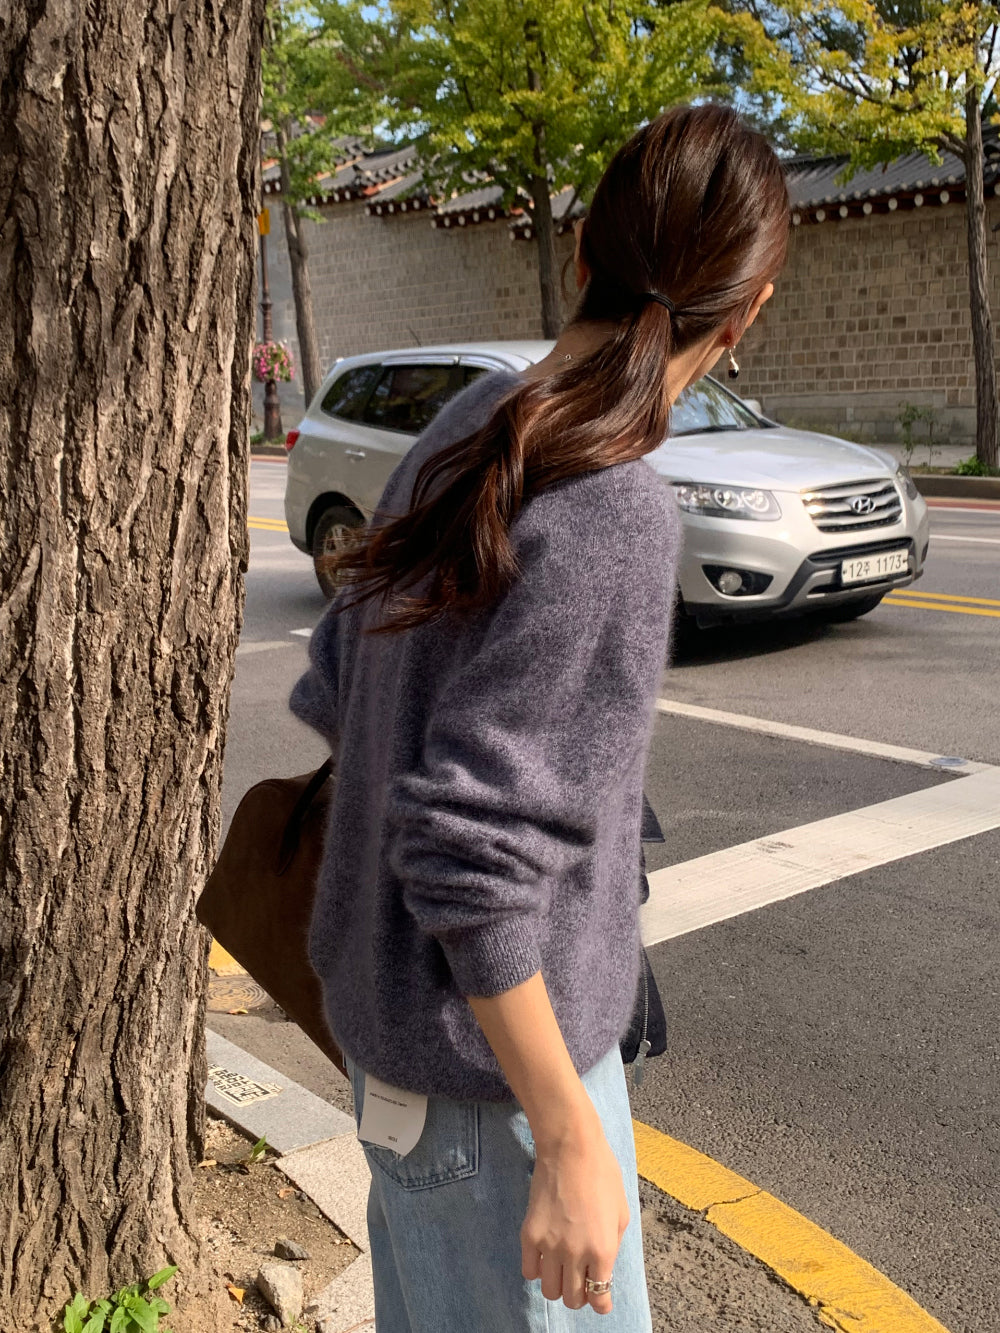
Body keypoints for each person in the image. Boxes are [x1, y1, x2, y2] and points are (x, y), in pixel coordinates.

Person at [290, 103, 789, 1331]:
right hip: (502, 1087)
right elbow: (469, 852)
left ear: (578, 251)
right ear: (745, 316)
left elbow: (337, 679)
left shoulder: (468, 425)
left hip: (411, 1064)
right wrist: (569, 1139)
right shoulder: (613, 505)